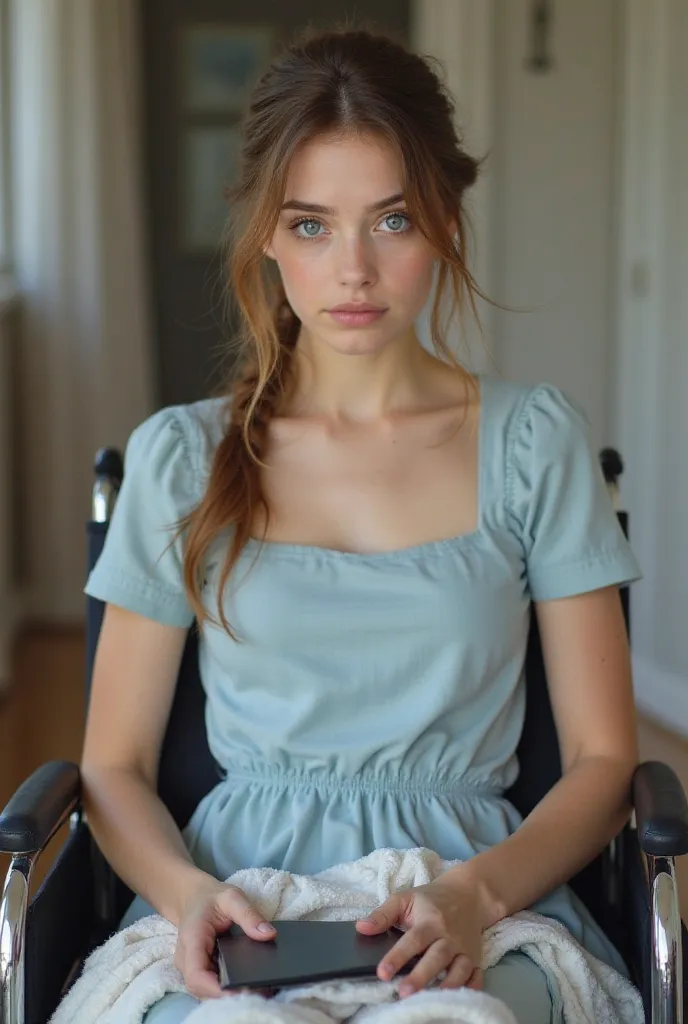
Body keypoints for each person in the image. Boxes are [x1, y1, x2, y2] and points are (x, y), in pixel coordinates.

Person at [80, 27, 642, 1024]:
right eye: (309, 225)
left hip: (471, 899)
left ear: (445, 220)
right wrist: (187, 895)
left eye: (390, 220)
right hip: (234, 900)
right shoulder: (183, 457)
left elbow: (602, 761)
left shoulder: (529, 442)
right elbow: (112, 766)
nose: (352, 269)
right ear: (261, 231)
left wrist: (476, 892)